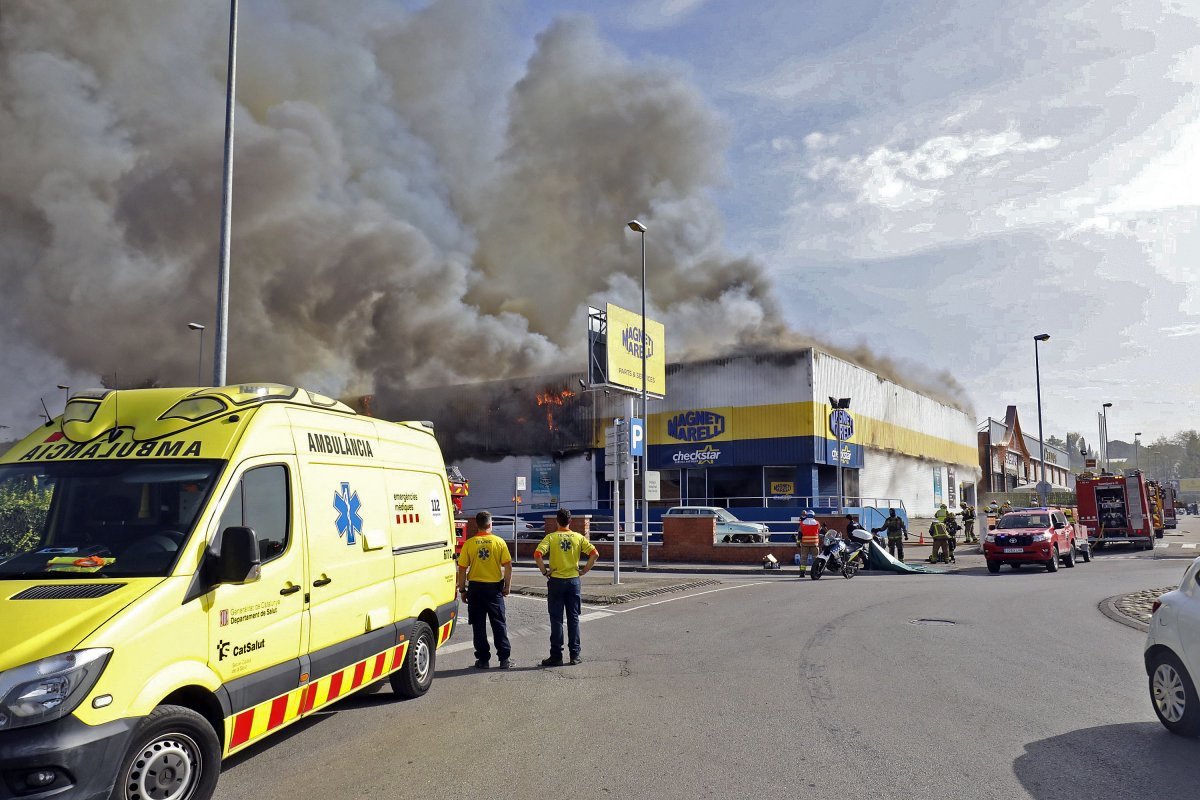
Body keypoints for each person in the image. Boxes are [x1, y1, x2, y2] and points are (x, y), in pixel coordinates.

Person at [534, 509, 598, 666]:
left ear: (557, 521)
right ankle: (575, 655)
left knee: (556, 619)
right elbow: (595, 554)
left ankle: (556, 656)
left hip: (556, 581)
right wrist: (584, 570)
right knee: (573, 618)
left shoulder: (551, 537)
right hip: (573, 581)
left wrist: (545, 572)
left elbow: (537, 554)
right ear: (570, 521)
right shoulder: (578, 537)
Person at [456, 511, 513, 669]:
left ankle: (483, 660)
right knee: (499, 624)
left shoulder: (469, 543)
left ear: (477, 524)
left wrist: (463, 590)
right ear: (490, 524)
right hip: (494, 589)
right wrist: (507, 586)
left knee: (478, 625)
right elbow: (508, 566)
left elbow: (462, 568)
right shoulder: (499, 542)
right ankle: (504, 659)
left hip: (475, 589)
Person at [796, 510, 821, 577]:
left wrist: (798, 543)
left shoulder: (802, 523)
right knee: (815, 558)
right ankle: (816, 571)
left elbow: (800, 534)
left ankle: (802, 573)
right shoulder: (817, 523)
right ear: (813, 515)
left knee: (803, 558)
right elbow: (819, 531)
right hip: (814, 543)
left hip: (805, 544)